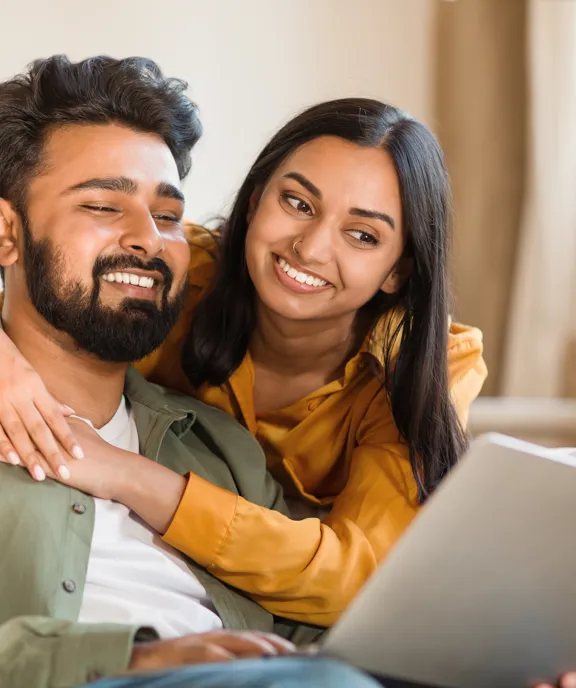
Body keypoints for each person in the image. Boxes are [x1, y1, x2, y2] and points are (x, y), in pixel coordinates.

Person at [2, 54, 576, 688]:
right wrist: (136, 658)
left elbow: (334, 620)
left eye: (169, 214)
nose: (149, 237)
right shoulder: (208, 280)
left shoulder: (220, 450)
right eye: (102, 205)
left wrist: (500, 683)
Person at [0, 96, 487, 627]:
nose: (311, 249)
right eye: (298, 203)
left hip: (294, 599)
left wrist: (124, 473)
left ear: (398, 270)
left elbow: (358, 578)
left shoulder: (419, 366)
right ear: (254, 203)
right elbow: (45, 262)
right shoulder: (172, 275)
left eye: (363, 235)